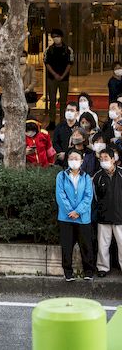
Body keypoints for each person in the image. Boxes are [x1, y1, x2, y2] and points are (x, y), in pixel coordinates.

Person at [56, 149, 95, 281]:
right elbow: (60, 195)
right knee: (67, 246)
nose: (74, 161)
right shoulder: (61, 176)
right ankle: (68, 271)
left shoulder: (86, 177)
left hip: (83, 217)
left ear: (82, 161)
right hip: (65, 217)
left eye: (76, 158)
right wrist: (70, 211)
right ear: (67, 160)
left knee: (86, 245)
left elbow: (88, 196)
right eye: (71, 158)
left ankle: (88, 270)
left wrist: (78, 211)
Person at [93, 146, 122, 277]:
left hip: (120, 216)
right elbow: (95, 197)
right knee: (103, 244)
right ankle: (103, 268)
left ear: (113, 159)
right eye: (101, 158)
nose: (103, 160)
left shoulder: (121, 173)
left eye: (106, 158)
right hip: (103, 216)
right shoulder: (97, 177)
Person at [45, 29, 74, 123]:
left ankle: (63, 120)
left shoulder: (68, 49)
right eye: (54, 37)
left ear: (61, 37)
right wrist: (55, 74)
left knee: (63, 101)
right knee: (52, 101)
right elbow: (47, 63)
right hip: (51, 79)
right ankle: (52, 121)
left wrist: (62, 75)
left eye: (57, 36)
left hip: (64, 79)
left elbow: (70, 64)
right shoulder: (49, 49)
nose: (56, 38)